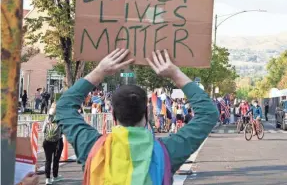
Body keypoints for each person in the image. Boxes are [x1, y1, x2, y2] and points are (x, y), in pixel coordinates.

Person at [56, 49, 219, 184]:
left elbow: (64, 107)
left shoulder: (92, 146)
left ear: (113, 115)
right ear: (146, 113)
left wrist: (99, 72)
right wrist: (175, 74)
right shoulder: (166, 151)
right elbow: (208, 113)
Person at [42, 103, 63, 185]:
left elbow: (43, 130)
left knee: (48, 160)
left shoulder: (47, 118)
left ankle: (47, 179)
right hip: (57, 142)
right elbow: (62, 131)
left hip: (47, 142)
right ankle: (55, 176)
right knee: (56, 160)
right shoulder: (60, 118)